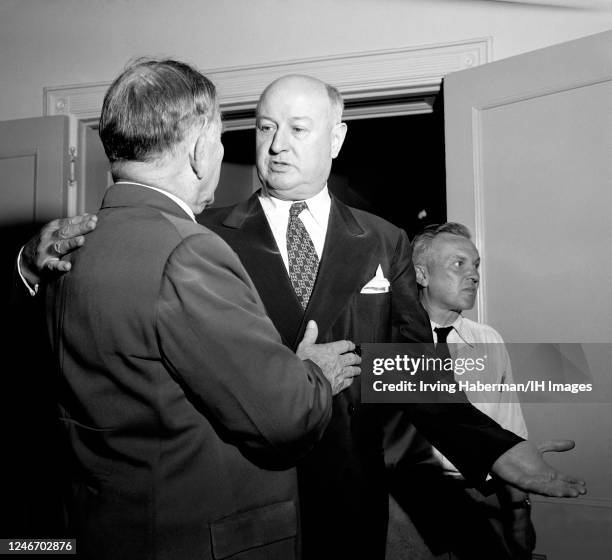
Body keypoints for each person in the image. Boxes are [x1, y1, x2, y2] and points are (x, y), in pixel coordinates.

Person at [20, 74, 586, 560]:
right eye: (265, 127)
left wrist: (495, 446)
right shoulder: (199, 233)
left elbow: (410, 370)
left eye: (298, 128)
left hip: (349, 499)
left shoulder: (382, 239)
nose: (276, 146)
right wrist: (31, 261)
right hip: (241, 504)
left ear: (336, 137)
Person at [39, 59, 362, 560]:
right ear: (196, 150)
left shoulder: (65, 249)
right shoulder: (191, 247)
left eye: (298, 128)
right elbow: (283, 415)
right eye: (226, 136)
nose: (274, 145)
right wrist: (312, 373)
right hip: (196, 536)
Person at [386, 222, 534, 559]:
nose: (474, 275)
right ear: (421, 275)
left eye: (476, 265)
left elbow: (510, 431)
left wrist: (519, 511)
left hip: (482, 500)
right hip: (406, 509)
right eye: (459, 264)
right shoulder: (385, 343)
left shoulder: (488, 341)